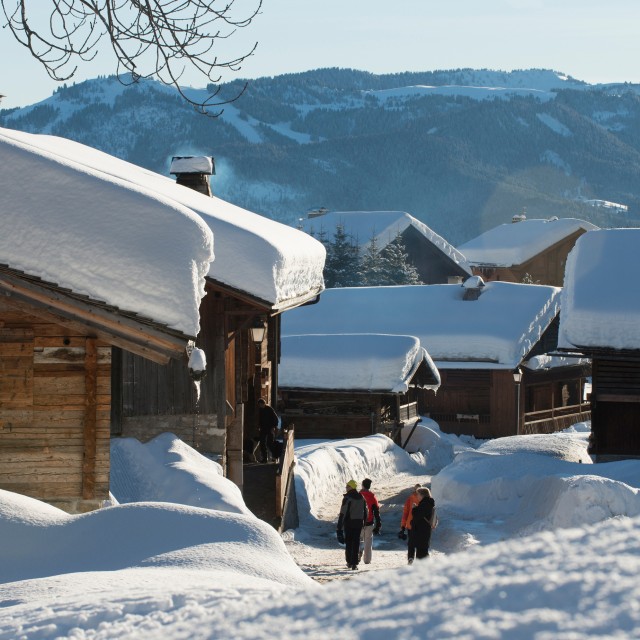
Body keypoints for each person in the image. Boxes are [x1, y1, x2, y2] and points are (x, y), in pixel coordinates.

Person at [337, 479, 367, 570]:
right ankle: (354, 563)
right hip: (358, 523)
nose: (346, 488)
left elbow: (343, 513)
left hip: (349, 523)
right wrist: (364, 523)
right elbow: (365, 511)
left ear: (351, 487)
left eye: (347, 486)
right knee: (356, 542)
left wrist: (339, 528)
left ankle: (349, 562)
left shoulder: (347, 498)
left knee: (349, 542)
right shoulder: (361, 497)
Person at [408, 487, 436, 563]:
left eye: (418, 494)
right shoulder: (427, 503)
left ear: (422, 495)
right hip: (423, 531)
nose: (417, 496)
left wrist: (414, 509)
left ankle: (423, 570)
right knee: (422, 551)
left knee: (421, 554)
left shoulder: (426, 503)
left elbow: (417, 516)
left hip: (422, 532)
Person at [359, 478, 382, 565]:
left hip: (359, 522)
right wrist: (378, 524)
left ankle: (358, 551)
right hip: (369, 522)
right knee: (368, 542)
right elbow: (376, 511)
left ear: (362, 485)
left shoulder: (359, 495)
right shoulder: (372, 497)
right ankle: (367, 560)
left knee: (358, 539)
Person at [257, 398, 279, 463]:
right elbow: (260, 419)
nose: (260, 406)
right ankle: (264, 458)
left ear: (264, 403)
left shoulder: (269, 409)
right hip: (263, 428)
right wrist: (259, 426)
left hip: (270, 428)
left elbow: (276, 419)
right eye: (259, 405)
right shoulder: (261, 410)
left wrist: (274, 427)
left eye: (261, 404)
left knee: (270, 443)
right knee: (262, 443)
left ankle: (275, 456)